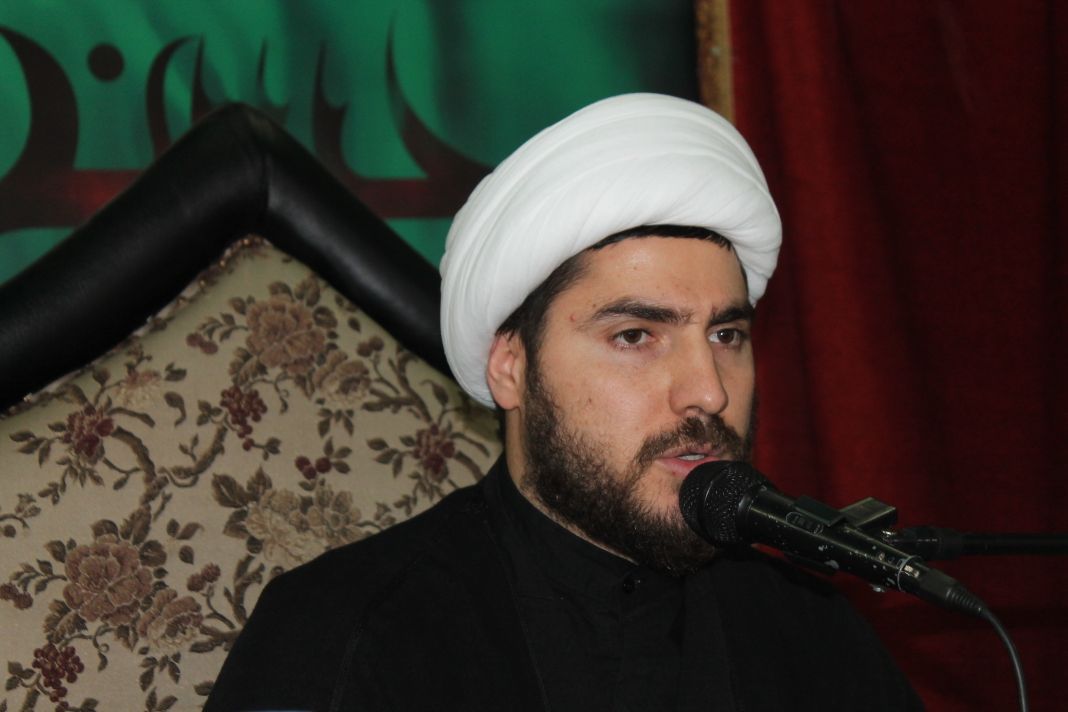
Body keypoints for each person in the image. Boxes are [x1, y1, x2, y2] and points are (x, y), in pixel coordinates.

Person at [205, 94, 922, 711]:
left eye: (726, 334)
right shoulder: (350, 632)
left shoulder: (814, 637)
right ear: (511, 368)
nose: (709, 390)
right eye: (636, 336)